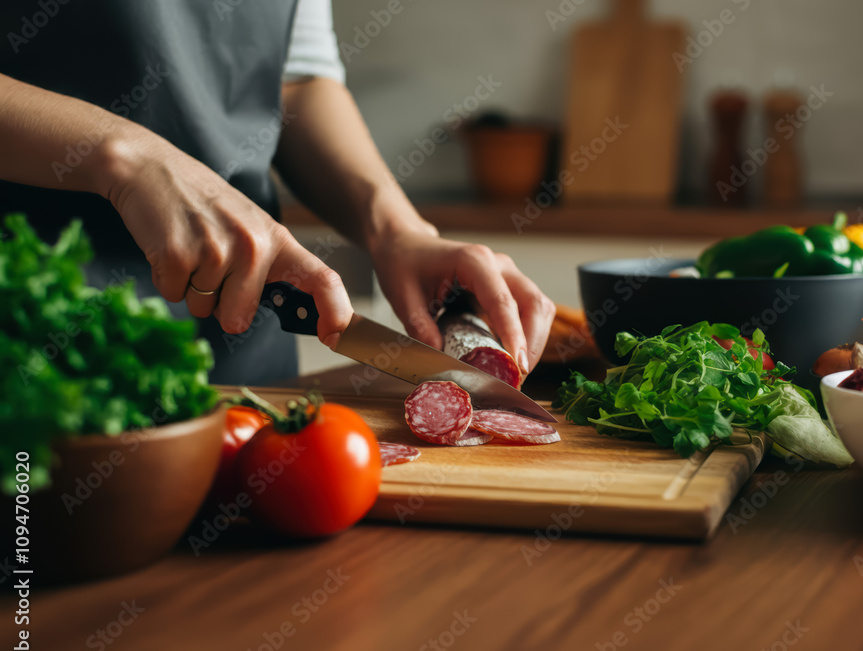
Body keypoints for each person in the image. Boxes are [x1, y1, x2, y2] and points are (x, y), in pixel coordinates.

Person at [0, 0, 555, 384]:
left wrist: (398, 231)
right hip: (33, 347)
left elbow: (295, 82)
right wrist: (121, 154)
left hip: (238, 349)